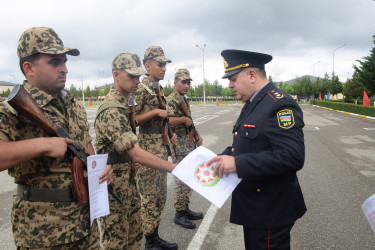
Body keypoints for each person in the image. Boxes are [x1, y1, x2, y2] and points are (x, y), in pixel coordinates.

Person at [0, 27, 113, 249]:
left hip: (85, 223)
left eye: (64, 61)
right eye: (54, 62)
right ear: (28, 68)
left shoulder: (73, 103)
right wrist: (41, 145)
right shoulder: (12, 110)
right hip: (44, 232)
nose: (64, 69)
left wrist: (98, 167)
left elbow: (85, 143)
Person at [207, 49, 307, 250]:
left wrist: (237, 163)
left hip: (270, 210)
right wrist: (225, 156)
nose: (230, 85)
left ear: (252, 75)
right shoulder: (255, 102)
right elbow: (251, 142)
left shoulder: (279, 104)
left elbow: (293, 156)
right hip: (256, 207)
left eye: (233, 78)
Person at [95, 52, 177, 249]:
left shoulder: (126, 105)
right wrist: (175, 168)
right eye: (131, 76)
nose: (136, 81)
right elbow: (136, 152)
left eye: (138, 77)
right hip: (113, 188)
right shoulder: (112, 110)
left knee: (133, 238)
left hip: (128, 182)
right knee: (116, 241)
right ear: (116, 75)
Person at [133, 46, 178, 250]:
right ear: (147, 65)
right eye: (160, 64)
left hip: (160, 150)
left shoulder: (157, 89)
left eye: (165, 65)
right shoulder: (140, 90)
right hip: (148, 153)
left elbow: (164, 116)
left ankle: (154, 236)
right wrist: (154, 114)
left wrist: (169, 133)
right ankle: (149, 242)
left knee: (160, 196)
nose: (164, 68)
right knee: (150, 199)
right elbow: (131, 120)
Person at [166, 68, 204, 229]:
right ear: (175, 83)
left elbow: (190, 120)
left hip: (188, 144)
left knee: (189, 178)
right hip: (178, 145)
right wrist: (182, 119)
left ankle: (185, 207)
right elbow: (166, 120)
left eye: (188, 82)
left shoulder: (183, 98)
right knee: (181, 179)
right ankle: (179, 213)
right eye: (183, 82)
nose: (186, 85)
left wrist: (197, 135)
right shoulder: (171, 99)